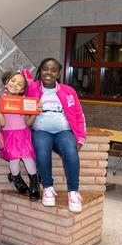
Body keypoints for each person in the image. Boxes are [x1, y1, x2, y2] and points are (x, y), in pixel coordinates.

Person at [26, 57, 86, 213]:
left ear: (58, 74)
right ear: (40, 71)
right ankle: (48, 188)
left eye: (53, 70)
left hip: (63, 131)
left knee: (71, 151)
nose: (49, 73)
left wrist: (80, 137)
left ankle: (73, 192)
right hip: (41, 131)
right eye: (45, 69)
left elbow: (79, 115)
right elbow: (19, 102)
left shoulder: (68, 91)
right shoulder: (32, 88)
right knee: (42, 151)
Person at [0, 70, 40, 200]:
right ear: (6, 82)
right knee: (14, 160)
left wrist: (35, 112)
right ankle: (17, 179)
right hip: (9, 135)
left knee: (28, 158)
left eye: (19, 83)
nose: (15, 84)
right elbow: (1, 123)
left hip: (23, 134)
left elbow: (28, 123)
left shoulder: (25, 101)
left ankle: (34, 185)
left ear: (23, 89)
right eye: (12, 81)